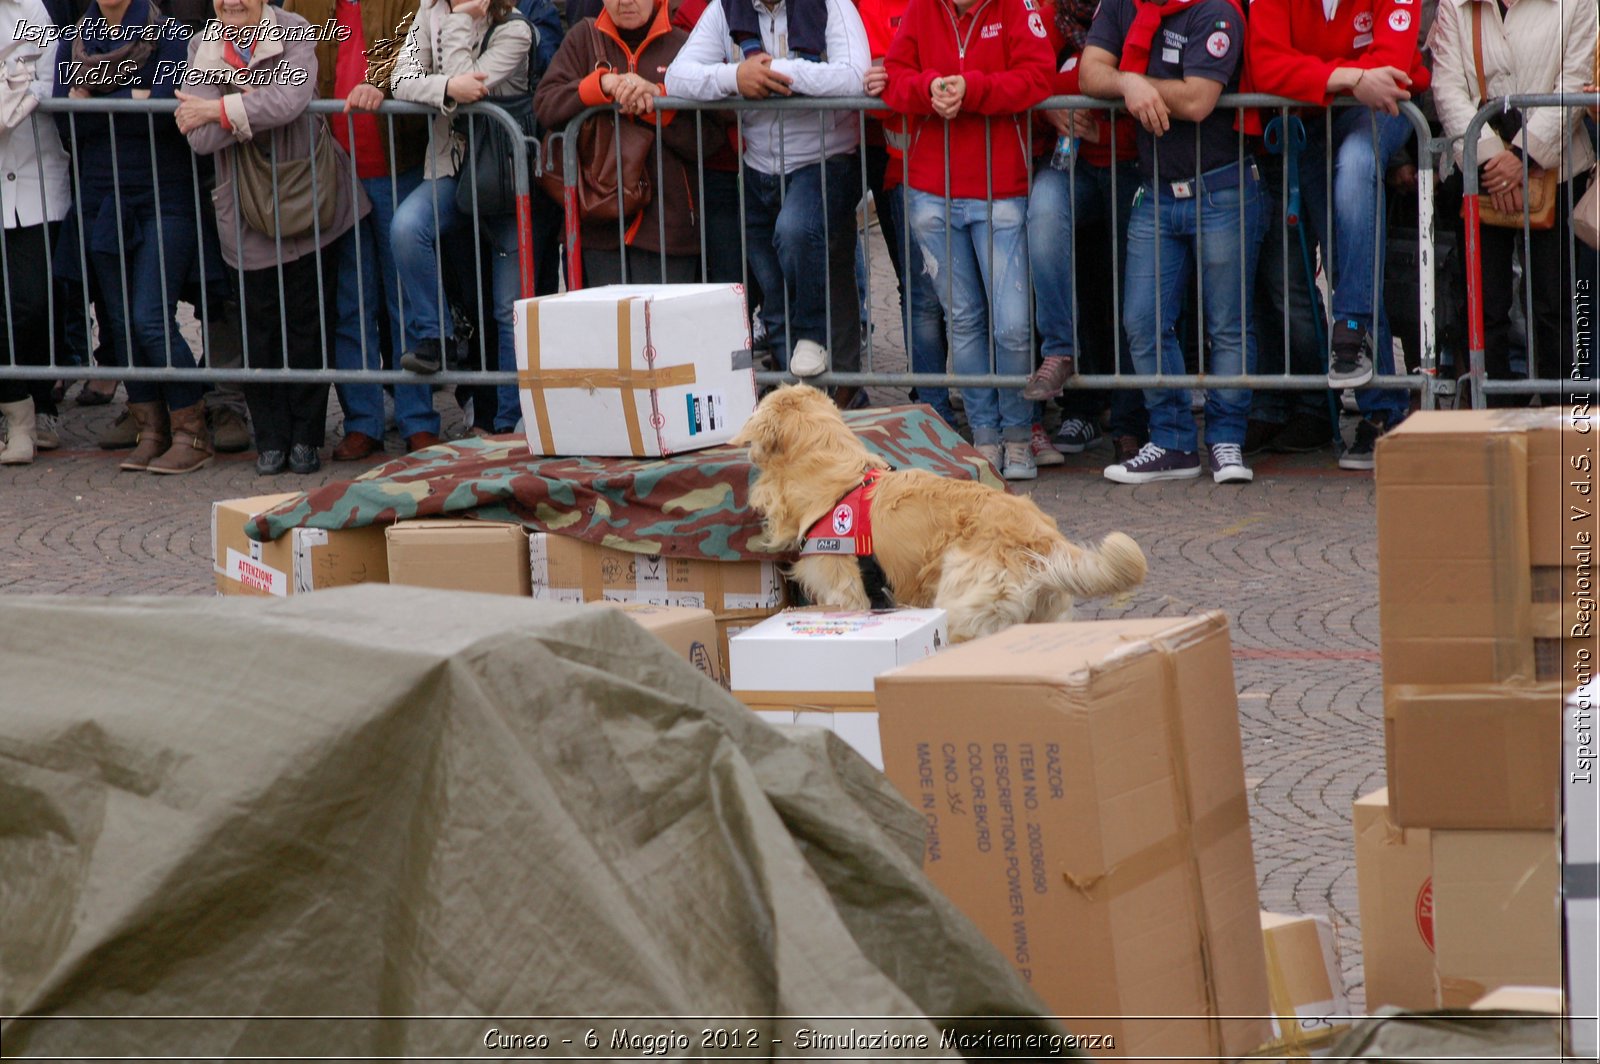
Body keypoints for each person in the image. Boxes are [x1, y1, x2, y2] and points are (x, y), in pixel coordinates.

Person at [177, 0, 369, 475]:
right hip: (243, 213)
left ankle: (306, 437)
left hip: (307, 200)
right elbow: (196, 136)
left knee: (309, 326)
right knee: (258, 332)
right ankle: (271, 439)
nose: (231, 2)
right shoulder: (205, 43)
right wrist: (246, 112)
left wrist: (219, 108)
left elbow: (291, 100)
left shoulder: (295, 31)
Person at [1079, 0, 1265, 484]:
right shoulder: (1125, 5)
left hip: (1221, 187)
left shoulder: (1216, 10)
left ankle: (1227, 439)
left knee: (1227, 325)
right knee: (1141, 321)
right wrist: (1128, 82)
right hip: (1157, 190)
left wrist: (1132, 76)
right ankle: (1174, 441)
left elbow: (1198, 99)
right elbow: (1089, 72)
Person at [1248, 0, 1431, 467]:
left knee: (1355, 168)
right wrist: (1349, 79)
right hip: (1314, 116)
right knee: (1346, 255)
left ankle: (1351, 331)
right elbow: (1265, 65)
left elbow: (1391, 68)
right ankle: (1381, 415)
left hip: (1377, 110)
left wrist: (1317, 76)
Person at [881, 0, 1053, 478]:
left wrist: (972, 89)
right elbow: (894, 78)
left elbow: (1039, 76)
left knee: (1013, 324)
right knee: (964, 321)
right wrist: (927, 88)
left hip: (1001, 189)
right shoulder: (922, 10)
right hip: (932, 191)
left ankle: (1016, 435)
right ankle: (985, 436)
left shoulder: (1019, 8)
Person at [665, 0, 870, 389]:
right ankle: (795, 393)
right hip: (759, 165)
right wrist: (735, 77)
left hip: (825, 159)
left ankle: (816, 345)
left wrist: (780, 72)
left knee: (795, 233)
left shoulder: (832, 5)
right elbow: (677, 78)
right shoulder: (724, 10)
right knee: (773, 289)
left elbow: (855, 75)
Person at [53, 0, 217, 473]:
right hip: (100, 198)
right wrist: (132, 95)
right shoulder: (74, 39)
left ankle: (192, 431)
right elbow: (68, 120)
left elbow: (167, 110)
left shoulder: (168, 34)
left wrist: (98, 93)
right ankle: (152, 428)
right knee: (121, 323)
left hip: (165, 194)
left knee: (150, 317)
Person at [286, 0, 444, 458]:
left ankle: (418, 419)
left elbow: (410, 46)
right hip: (335, 170)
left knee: (404, 302)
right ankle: (363, 421)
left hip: (399, 163)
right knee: (351, 302)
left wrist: (377, 82)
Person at [1429, 0, 1596, 401]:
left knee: (1554, 308)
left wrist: (1523, 157)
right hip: (1481, 174)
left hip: (1558, 171)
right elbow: (1447, 86)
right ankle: (1491, 417)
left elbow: (1575, 81)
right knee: (1484, 309)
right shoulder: (1455, 4)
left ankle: (1561, 419)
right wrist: (1492, 160)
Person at [384, 0, 532, 437]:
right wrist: (447, 85)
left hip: (504, 178)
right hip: (451, 169)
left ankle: (510, 424)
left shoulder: (516, 28)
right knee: (407, 228)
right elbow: (401, 79)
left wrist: (461, 23)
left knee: (509, 308)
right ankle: (438, 338)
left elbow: (475, 85)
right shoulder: (430, 10)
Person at [1022, 4, 1148, 468]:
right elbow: (1029, 75)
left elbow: (1146, 76)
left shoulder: (1129, 9)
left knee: (1128, 291)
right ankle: (1064, 367)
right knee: (1044, 218)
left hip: (1134, 162)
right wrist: (1050, 113)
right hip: (1070, 163)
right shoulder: (1052, 15)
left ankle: (1132, 423)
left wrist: (1097, 102)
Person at [533, 0, 720, 283]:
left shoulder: (685, 45)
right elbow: (546, 105)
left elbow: (712, 138)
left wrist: (659, 108)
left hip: (669, 228)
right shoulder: (583, 38)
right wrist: (599, 85)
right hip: (598, 224)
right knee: (606, 328)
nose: (625, 2)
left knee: (664, 327)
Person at [856, 0, 954, 429]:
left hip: (978, 167)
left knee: (975, 300)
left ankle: (996, 410)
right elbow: (874, 73)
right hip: (902, 165)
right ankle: (932, 406)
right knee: (920, 293)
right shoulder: (866, 7)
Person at [1, 0, 71, 465]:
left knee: (33, 302)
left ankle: (40, 402)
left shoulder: (32, 10)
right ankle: (17, 411)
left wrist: (14, 100)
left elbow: (47, 79)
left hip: (35, 181)